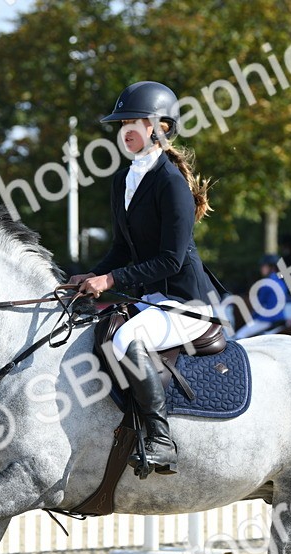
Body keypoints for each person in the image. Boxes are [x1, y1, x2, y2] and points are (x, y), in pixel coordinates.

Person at [70, 80, 226, 477]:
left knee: (127, 338)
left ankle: (160, 440)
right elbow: (123, 248)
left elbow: (171, 260)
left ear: (161, 127)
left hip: (186, 303)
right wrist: (95, 274)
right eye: (122, 124)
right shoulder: (123, 179)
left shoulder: (170, 182)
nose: (125, 130)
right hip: (152, 301)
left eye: (134, 122)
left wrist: (111, 281)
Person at [233, 253, 289, 339]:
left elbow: (259, 305)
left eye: (263, 266)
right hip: (281, 319)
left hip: (266, 320)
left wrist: (253, 316)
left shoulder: (266, 283)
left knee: (239, 335)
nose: (261, 269)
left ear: (271, 267)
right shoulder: (281, 282)